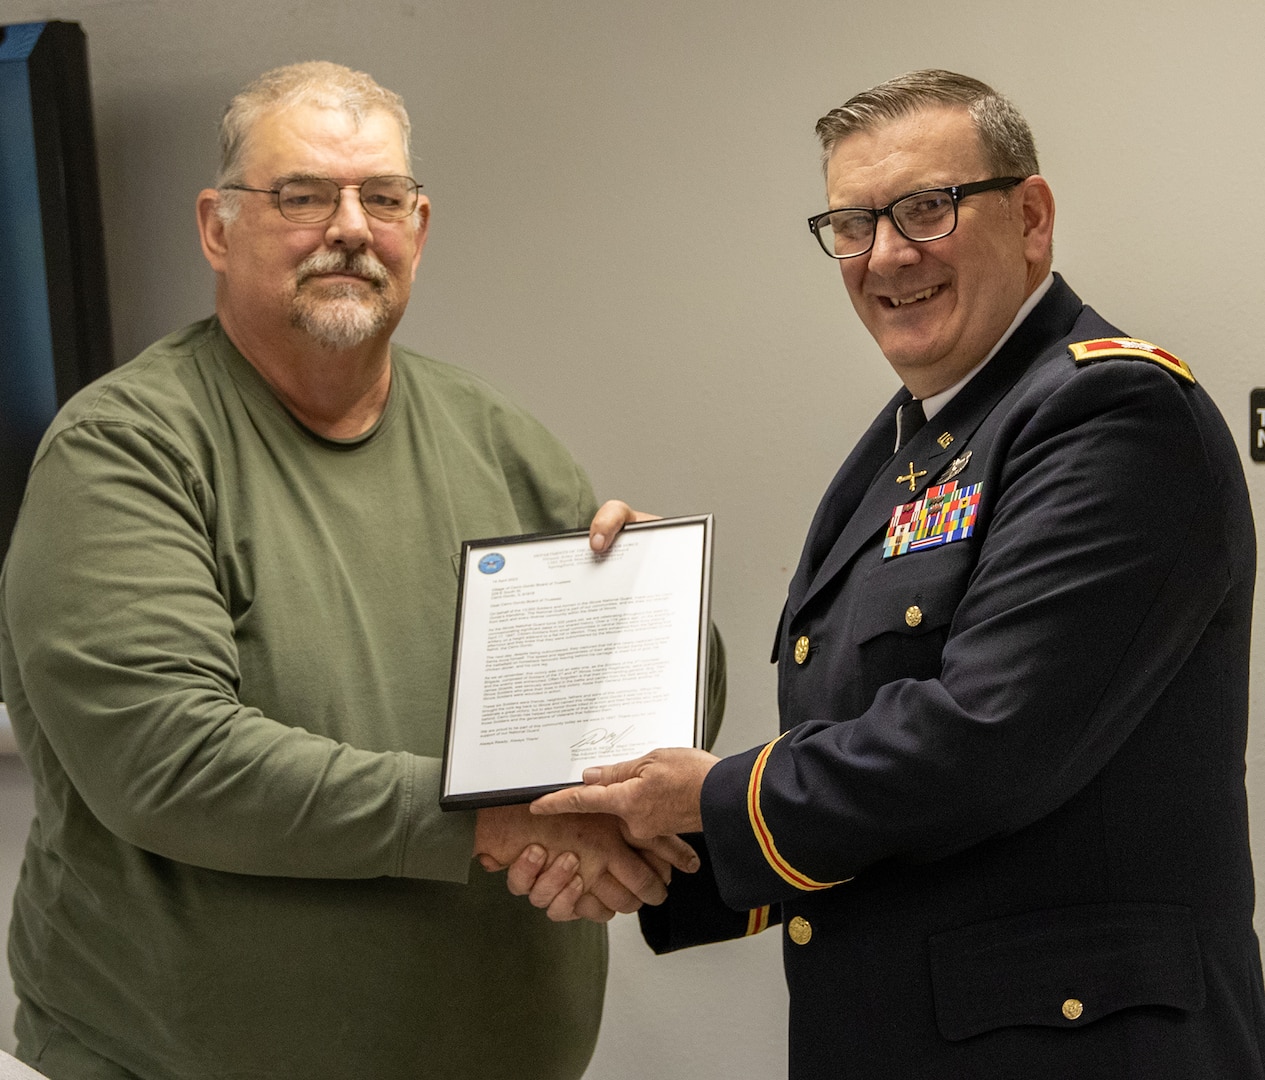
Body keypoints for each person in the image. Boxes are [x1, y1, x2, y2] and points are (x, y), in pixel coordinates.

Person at [529, 70, 1265, 1078]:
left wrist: (704, 802)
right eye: (850, 223)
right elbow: (861, 760)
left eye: (924, 210)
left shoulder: (1112, 415)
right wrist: (657, 854)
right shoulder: (910, 445)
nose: (883, 255)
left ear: (1031, 218)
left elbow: (982, 739)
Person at [0, 61, 722, 1080]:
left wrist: (656, 618)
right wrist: (488, 820)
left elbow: (614, 736)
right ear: (216, 226)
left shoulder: (499, 438)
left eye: (380, 197)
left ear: (417, 229)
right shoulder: (125, 449)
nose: (348, 226)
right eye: (301, 195)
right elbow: (169, 761)